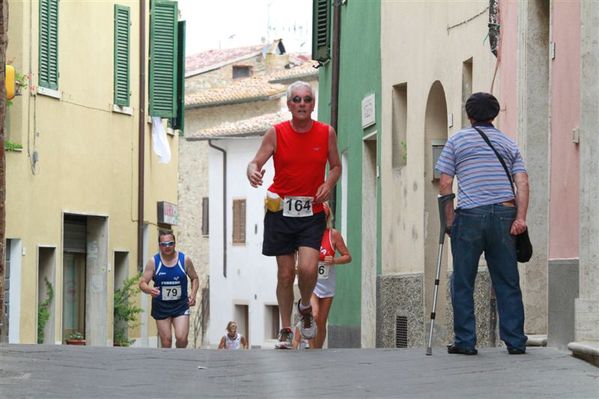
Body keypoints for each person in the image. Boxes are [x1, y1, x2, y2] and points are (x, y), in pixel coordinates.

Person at [247, 80, 342, 349]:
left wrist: (329, 183)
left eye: (307, 99)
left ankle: (304, 307)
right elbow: (256, 161)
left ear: (313, 104)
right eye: (297, 100)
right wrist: (252, 171)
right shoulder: (276, 133)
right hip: (281, 212)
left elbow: (335, 166)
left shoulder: (326, 133)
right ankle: (286, 329)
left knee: (308, 268)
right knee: (286, 274)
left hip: (311, 210)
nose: (302, 104)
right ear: (289, 105)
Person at [435, 92, 529, 355]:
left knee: (463, 281)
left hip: (471, 216)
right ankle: (515, 341)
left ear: (469, 115)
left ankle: (466, 341)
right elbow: (522, 182)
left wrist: (450, 221)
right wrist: (520, 218)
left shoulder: (456, 141)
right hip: (504, 215)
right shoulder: (509, 144)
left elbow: (445, 183)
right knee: (507, 281)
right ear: (495, 115)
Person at [139, 230, 199, 348]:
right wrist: (149, 290)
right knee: (166, 342)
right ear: (159, 245)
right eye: (163, 244)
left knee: (182, 339)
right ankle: (168, 364)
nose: (167, 247)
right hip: (161, 307)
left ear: (175, 244)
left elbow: (195, 278)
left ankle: (179, 362)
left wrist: (193, 294)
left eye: (170, 243)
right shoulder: (154, 262)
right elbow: (142, 283)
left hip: (180, 305)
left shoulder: (184, 260)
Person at [308, 202, 351, 349]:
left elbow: (347, 256)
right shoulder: (307, 233)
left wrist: (334, 260)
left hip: (327, 283)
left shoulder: (333, 235)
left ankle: (317, 349)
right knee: (314, 315)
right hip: (311, 283)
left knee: (321, 320)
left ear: (327, 217)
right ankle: (312, 347)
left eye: (322, 216)